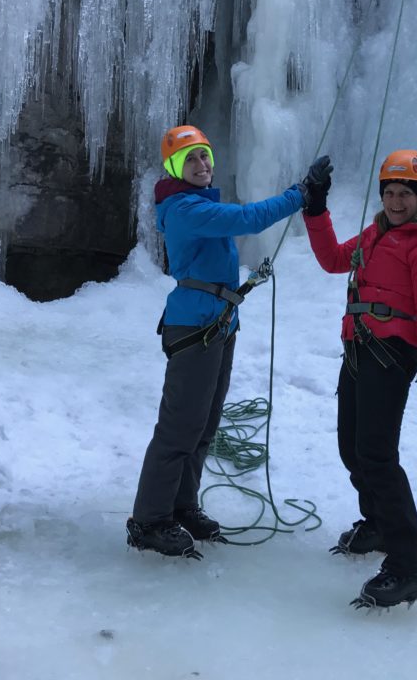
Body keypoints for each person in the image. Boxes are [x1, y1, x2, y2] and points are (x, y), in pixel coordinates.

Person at [126, 125, 331, 559]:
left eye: (205, 156)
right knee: (179, 428)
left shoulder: (197, 203)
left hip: (219, 323)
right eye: (191, 160)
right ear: (176, 170)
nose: (203, 165)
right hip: (195, 326)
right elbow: (245, 219)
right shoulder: (182, 208)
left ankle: (181, 506)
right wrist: (300, 193)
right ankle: (149, 521)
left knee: (203, 426)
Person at [301, 149, 417, 607]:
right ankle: (377, 524)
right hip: (358, 350)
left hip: (391, 356)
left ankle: (408, 567)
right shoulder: (375, 235)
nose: (395, 201)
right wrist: (316, 209)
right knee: (351, 447)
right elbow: (333, 259)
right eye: (389, 193)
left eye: (404, 194)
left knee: (377, 457)